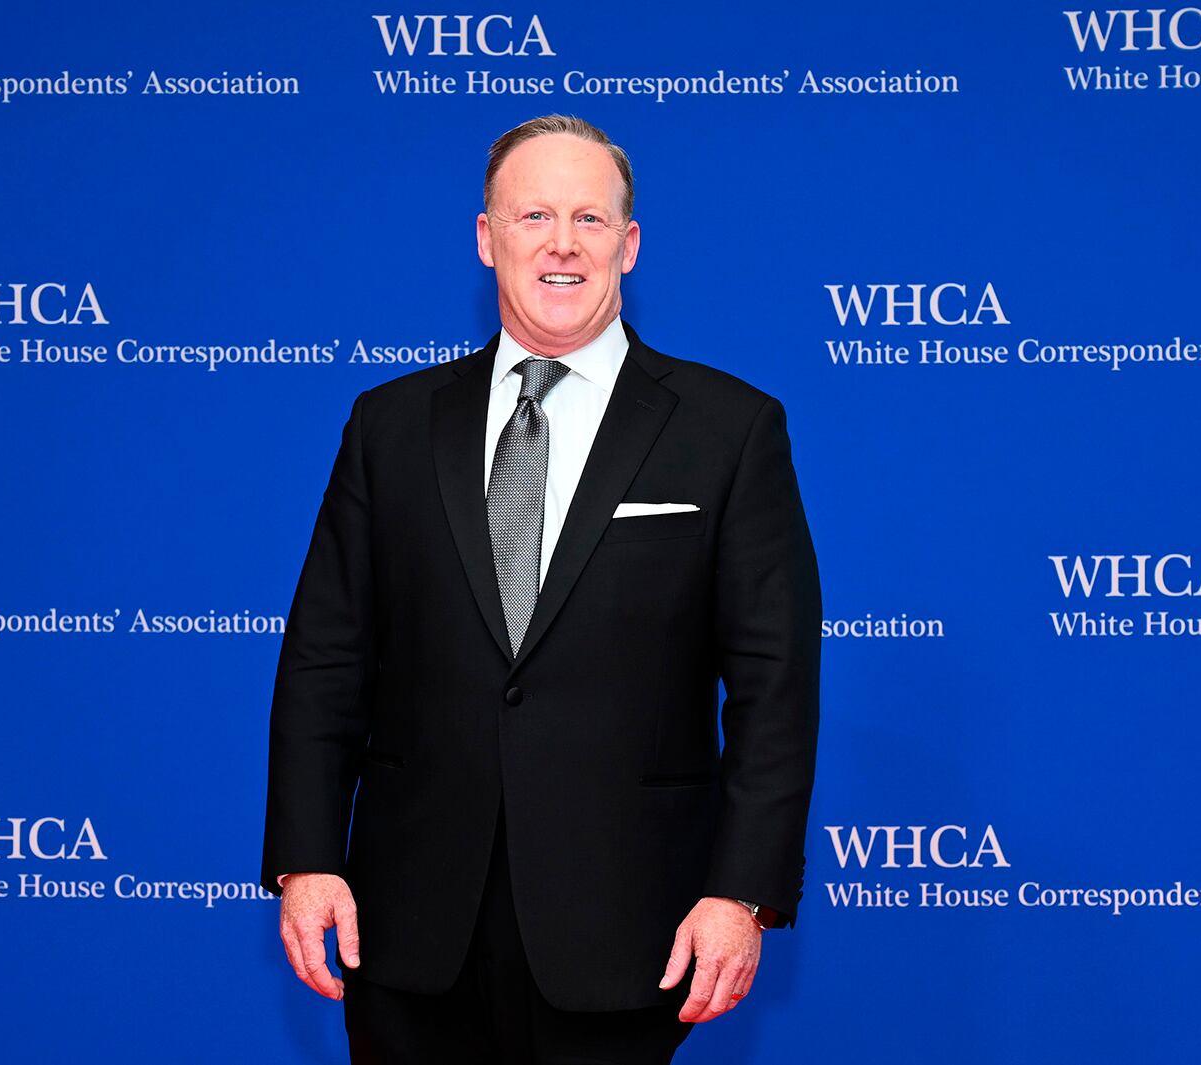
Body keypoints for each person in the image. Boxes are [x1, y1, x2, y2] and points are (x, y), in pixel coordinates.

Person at [261, 114, 821, 1064]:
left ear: (628, 245)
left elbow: (776, 686)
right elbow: (327, 654)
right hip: (408, 928)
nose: (562, 243)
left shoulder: (729, 431)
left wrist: (740, 893)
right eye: (534, 216)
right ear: (488, 237)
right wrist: (307, 858)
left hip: (627, 929)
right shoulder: (390, 426)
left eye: (590, 219)